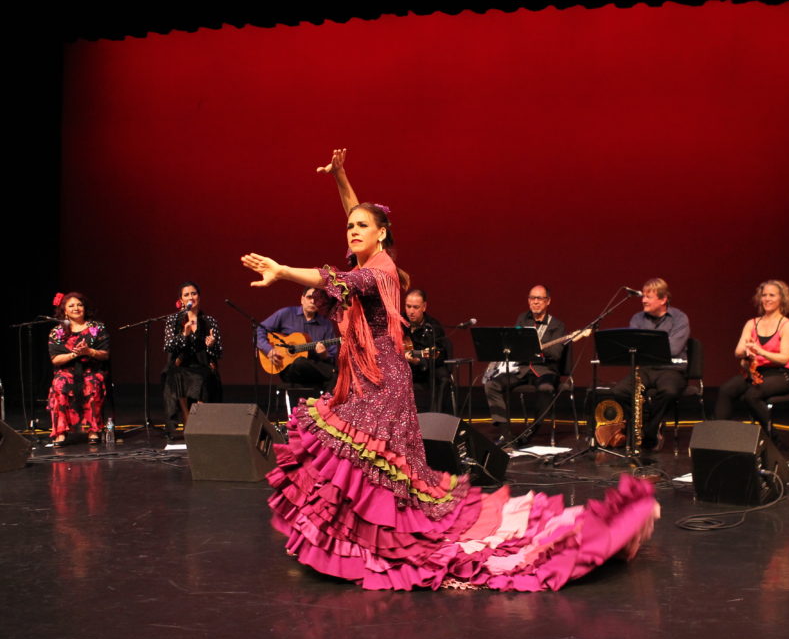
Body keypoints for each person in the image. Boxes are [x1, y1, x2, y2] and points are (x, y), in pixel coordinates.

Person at [237, 148, 657, 591]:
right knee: (359, 462)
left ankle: (380, 544)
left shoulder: (381, 271)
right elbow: (361, 220)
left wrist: (282, 270)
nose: (352, 231)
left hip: (382, 381)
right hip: (362, 375)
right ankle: (360, 542)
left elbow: (332, 278)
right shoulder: (366, 256)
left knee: (363, 458)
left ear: (383, 236)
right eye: (349, 227)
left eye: (362, 227)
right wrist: (341, 178)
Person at [611, 278, 690, 447]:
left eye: (648, 296)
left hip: (671, 369)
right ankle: (648, 424)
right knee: (620, 391)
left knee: (669, 391)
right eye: (643, 296)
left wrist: (646, 347)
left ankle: (650, 430)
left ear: (663, 299)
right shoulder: (637, 318)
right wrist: (653, 346)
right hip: (645, 369)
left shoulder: (679, 318)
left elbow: (674, 348)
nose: (643, 300)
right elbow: (634, 346)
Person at [484, 285, 566, 441]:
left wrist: (535, 347)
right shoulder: (522, 318)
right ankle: (505, 434)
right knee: (491, 385)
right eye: (532, 298)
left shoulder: (557, 325)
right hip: (521, 369)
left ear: (548, 301)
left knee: (546, 388)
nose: (535, 302)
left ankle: (531, 431)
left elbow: (556, 354)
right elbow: (515, 345)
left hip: (544, 370)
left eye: (539, 298)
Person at [715, 280, 789, 431]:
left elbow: (784, 358)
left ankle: (771, 438)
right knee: (726, 389)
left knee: (752, 395)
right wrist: (746, 350)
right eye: (764, 295)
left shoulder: (787, 325)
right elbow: (738, 351)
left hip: (780, 375)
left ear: (782, 299)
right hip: (755, 373)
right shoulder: (751, 323)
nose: (767, 299)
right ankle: (720, 437)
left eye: (772, 295)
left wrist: (760, 351)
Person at [47, 292, 110, 445]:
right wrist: (74, 354)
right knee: (60, 383)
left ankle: (94, 429)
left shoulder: (98, 328)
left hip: (91, 370)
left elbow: (105, 354)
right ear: (64, 311)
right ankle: (60, 431)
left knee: (92, 383)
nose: (76, 308)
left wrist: (89, 352)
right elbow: (55, 359)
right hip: (66, 372)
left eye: (79, 305)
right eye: (71, 305)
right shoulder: (57, 332)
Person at [163, 281, 222, 437]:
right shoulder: (173, 320)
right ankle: (187, 418)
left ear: (199, 297)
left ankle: (198, 420)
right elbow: (169, 346)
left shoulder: (209, 321)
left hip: (202, 364)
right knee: (176, 375)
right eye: (186, 294)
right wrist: (185, 334)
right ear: (181, 299)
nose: (191, 297)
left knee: (203, 377)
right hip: (181, 364)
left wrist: (211, 345)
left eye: (194, 293)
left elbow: (218, 352)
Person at [256, 286, 338, 391]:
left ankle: (325, 405)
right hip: (290, 370)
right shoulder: (286, 313)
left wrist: (324, 354)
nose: (313, 301)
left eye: (317, 299)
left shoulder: (326, 325)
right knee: (301, 362)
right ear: (302, 299)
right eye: (309, 297)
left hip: (315, 372)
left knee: (332, 376)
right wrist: (268, 350)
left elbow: (331, 357)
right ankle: (334, 374)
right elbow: (260, 329)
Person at [403, 288, 452, 412]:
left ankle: (436, 416)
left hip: (423, 371)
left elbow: (440, 356)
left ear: (424, 307)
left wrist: (419, 361)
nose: (411, 311)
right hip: (400, 369)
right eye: (408, 306)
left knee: (442, 376)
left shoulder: (433, 327)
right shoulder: (398, 322)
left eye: (415, 307)